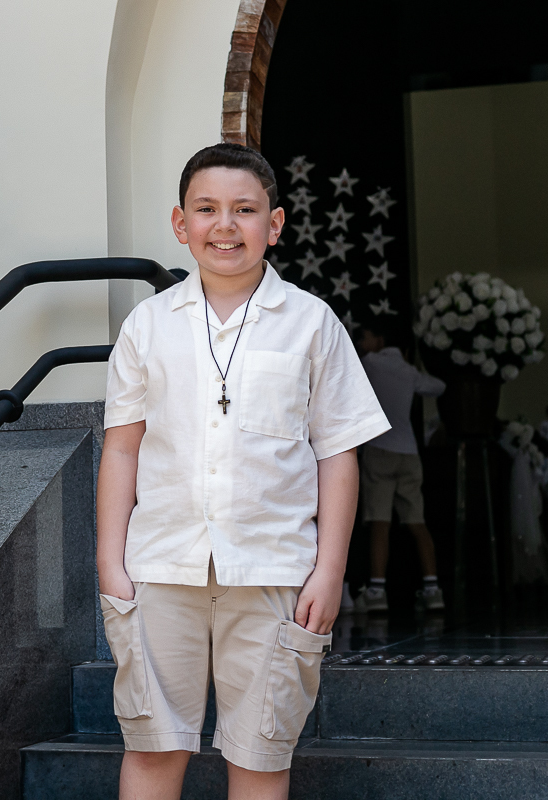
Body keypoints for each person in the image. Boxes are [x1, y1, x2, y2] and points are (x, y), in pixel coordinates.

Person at [99, 144, 389, 800]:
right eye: (207, 209)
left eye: (244, 210)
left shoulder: (312, 324)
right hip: (159, 569)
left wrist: (330, 568)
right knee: (152, 752)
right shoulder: (146, 327)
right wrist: (111, 564)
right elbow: (121, 449)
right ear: (181, 224)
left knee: (260, 759)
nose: (225, 225)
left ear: (275, 224)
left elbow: (336, 452)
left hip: (274, 571)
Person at [354, 322, 446, 613]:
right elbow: (438, 387)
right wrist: (409, 367)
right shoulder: (408, 371)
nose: (360, 339)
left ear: (380, 339)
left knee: (380, 522)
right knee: (417, 522)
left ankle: (377, 592)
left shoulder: (369, 363)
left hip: (380, 449)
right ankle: (433, 590)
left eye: (365, 335)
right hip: (409, 452)